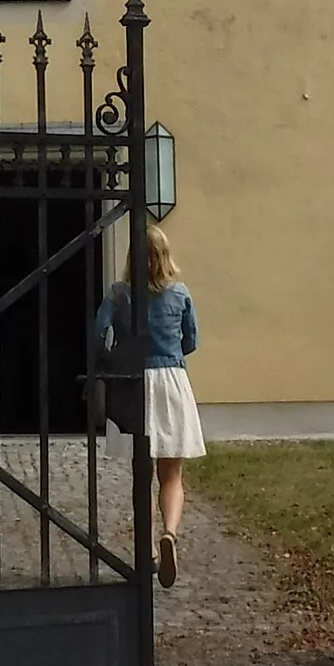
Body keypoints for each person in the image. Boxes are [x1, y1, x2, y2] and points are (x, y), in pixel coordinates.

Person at [95, 220, 205, 586]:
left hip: (133, 383)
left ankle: (146, 548)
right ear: (164, 256)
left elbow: (97, 334)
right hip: (171, 379)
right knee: (171, 475)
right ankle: (169, 532)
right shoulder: (180, 293)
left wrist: (112, 357)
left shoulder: (118, 294)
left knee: (139, 474)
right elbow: (192, 340)